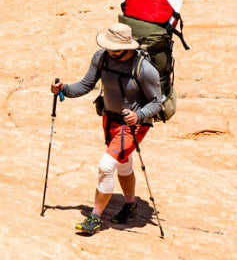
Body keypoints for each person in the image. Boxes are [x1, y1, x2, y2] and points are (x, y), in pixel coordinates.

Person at [53, 22, 165, 236]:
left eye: (115, 48)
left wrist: (139, 115)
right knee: (123, 162)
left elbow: (156, 101)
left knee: (106, 166)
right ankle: (130, 205)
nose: (110, 51)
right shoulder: (101, 57)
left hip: (134, 125)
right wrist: (64, 89)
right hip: (110, 119)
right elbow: (86, 85)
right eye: (108, 47)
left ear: (127, 47)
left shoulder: (144, 69)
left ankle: (95, 218)